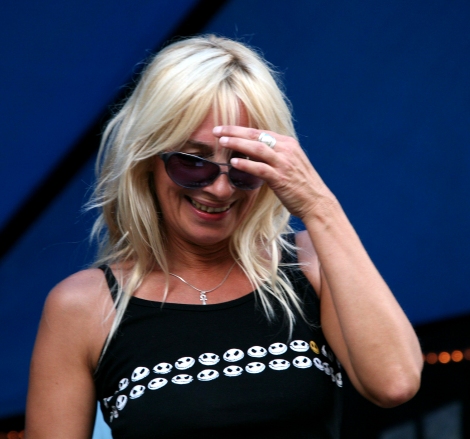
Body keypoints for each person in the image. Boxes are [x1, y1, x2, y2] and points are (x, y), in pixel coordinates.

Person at [25, 35, 423, 439]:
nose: (220, 188)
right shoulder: (82, 307)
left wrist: (319, 206)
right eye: (192, 162)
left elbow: (395, 382)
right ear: (146, 159)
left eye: (244, 165)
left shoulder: (309, 263)